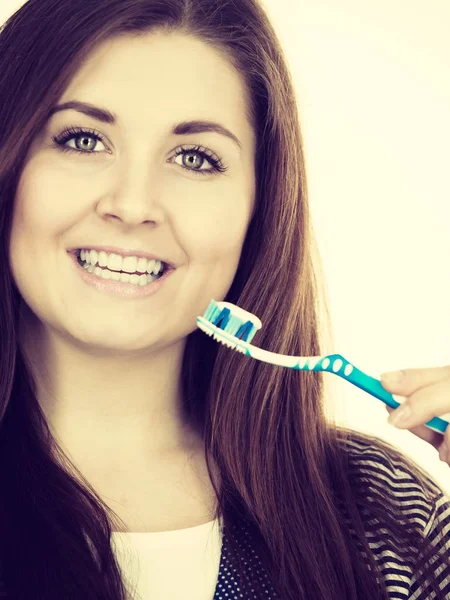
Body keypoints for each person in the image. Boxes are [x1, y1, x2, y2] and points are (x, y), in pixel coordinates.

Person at [0, 1, 449, 599]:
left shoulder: (387, 516)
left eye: (194, 159)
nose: (133, 205)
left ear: (256, 208)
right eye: (83, 140)